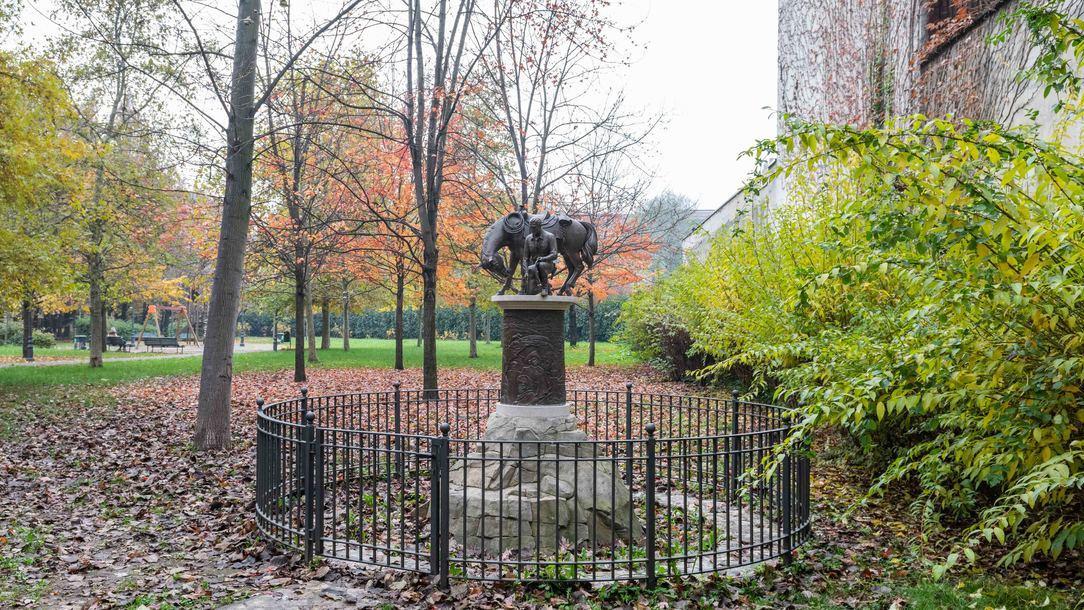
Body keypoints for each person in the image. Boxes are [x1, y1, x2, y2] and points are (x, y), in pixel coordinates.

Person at [522, 216, 559, 295]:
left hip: (547, 264)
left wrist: (543, 258)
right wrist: (525, 272)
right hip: (533, 265)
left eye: (534, 228)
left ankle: (545, 287)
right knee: (530, 291)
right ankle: (532, 289)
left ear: (540, 226)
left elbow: (554, 254)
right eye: (531, 228)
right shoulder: (528, 239)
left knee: (541, 265)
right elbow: (525, 258)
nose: (532, 230)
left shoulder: (550, 236)